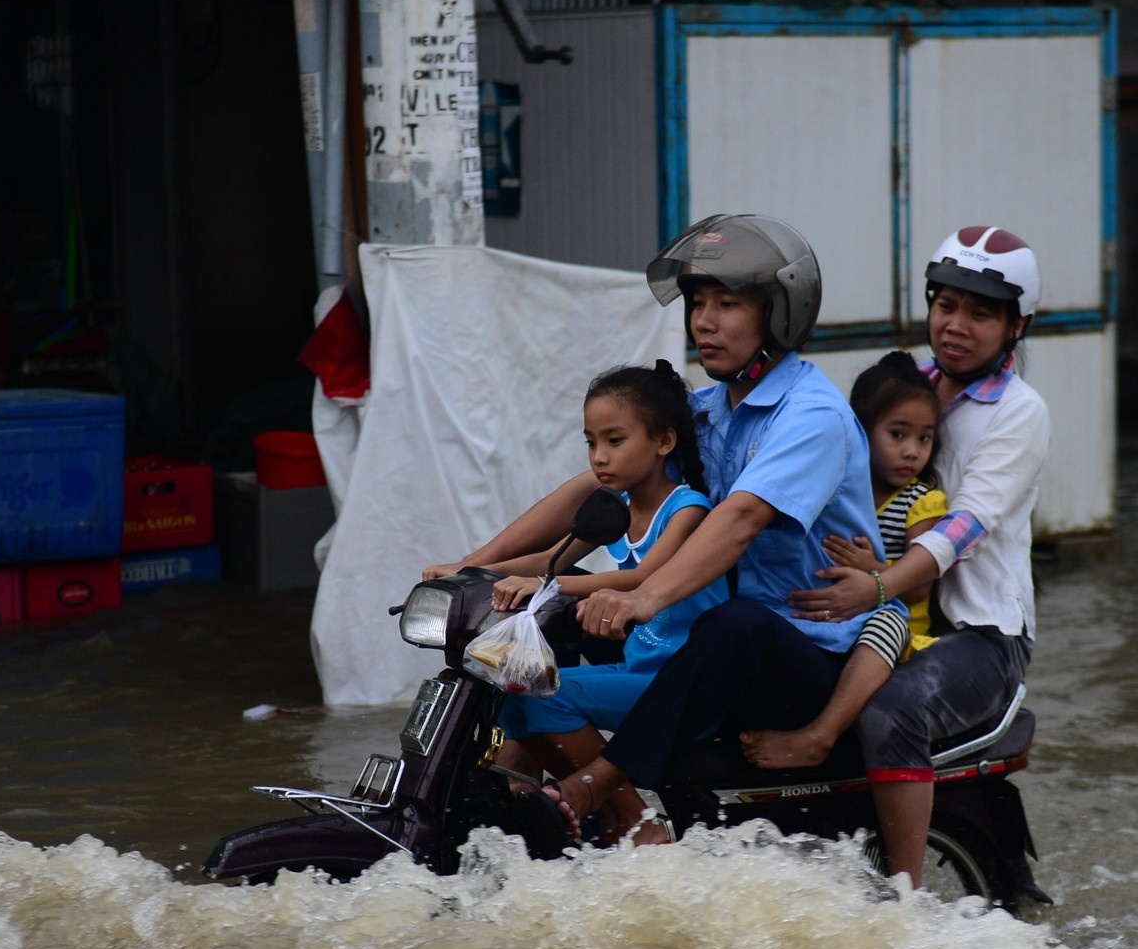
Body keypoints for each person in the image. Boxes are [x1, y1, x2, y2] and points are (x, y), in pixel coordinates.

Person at [439, 214, 906, 831]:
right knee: (531, 655)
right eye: (698, 303)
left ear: (779, 312)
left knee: (735, 622)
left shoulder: (810, 415)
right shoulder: (711, 412)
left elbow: (740, 519)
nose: (704, 322)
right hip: (721, 643)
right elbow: (603, 478)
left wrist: (643, 598)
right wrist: (477, 563)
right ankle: (516, 798)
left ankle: (609, 793)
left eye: (729, 304)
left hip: (814, 652)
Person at [787, 226, 1051, 888]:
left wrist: (874, 588)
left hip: (979, 636)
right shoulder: (906, 390)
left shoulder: (1019, 413)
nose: (955, 325)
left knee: (889, 713)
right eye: (945, 305)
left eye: (980, 313)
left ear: (1016, 325)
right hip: (894, 609)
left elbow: (959, 531)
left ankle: (902, 904)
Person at [480, 361, 727, 841]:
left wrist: (550, 587)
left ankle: (638, 819)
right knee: (515, 691)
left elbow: (643, 576)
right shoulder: (616, 510)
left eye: (615, 441)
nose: (600, 457)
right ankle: (605, 814)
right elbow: (549, 559)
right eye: (591, 443)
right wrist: (473, 572)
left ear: (663, 442)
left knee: (545, 692)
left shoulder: (688, 507)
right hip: (638, 670)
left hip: (681, 683)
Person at [739, 351, 946, 769]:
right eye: (898, 434)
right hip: (841, 617)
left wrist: (876, 572)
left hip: (897, 626)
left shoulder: (922, 501)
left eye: (924, 439)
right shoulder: (842, 489)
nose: (911, 452)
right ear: (861, 431)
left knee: (888, 620)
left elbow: (922, 585)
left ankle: (822, 735)